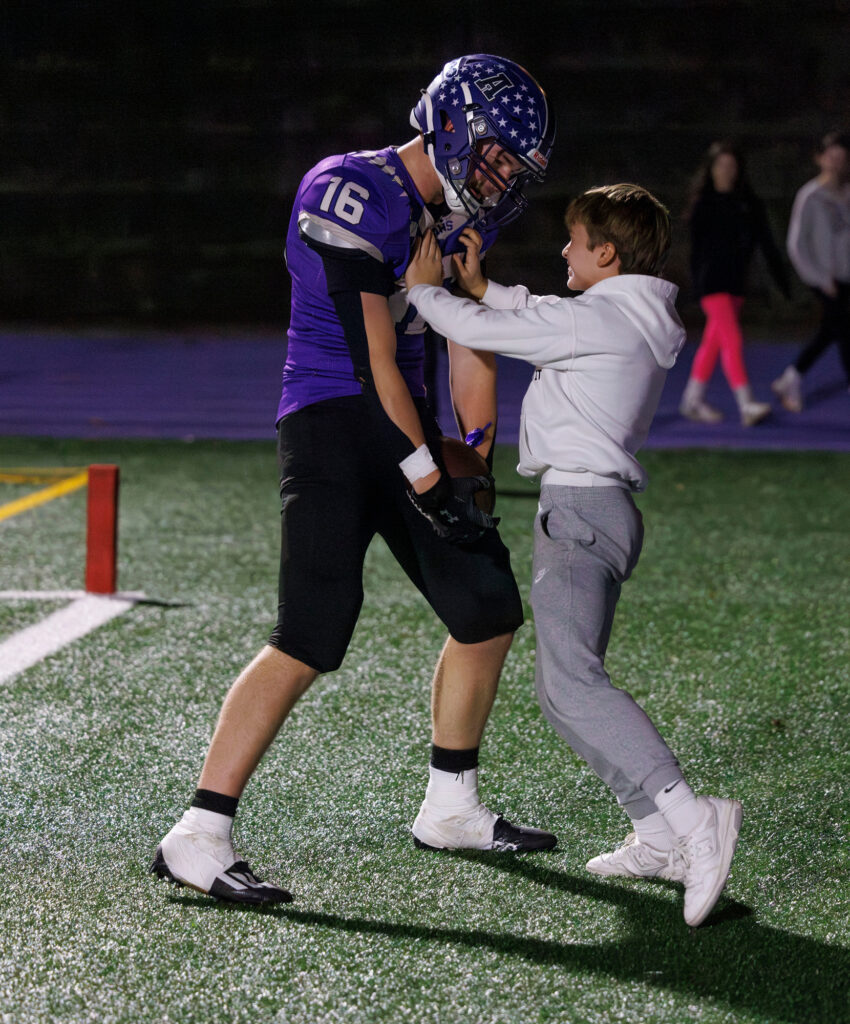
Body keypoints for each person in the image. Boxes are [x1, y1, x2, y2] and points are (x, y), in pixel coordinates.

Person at [150, 55, 558, 906]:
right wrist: (425, 472)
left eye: (510, 168)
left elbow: (465, 341)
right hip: (334, 420)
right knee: (312, 629)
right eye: (492, 155)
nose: (498, 177)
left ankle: (450, 804)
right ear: (448, 121)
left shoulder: (450, 224)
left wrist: (471, 459)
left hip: (400, 418)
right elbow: (372, 356)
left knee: (486, 607)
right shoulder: (348, 188)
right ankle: (199, 831)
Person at [404, 184, 743, 927]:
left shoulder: (598, 323)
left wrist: (423, 290)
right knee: (564, 693)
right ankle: (656, 837)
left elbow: (481, 329)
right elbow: (532, 313)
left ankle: (691, 817)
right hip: (599, 511)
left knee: (577, 685)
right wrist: (483, 284)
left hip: (582, 512)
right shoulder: (630, 317)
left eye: (574, 240)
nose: (563, 251)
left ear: (607, 254)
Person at [678, 140, 790, 427]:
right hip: (712, 285)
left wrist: (782, 282)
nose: (726, 171)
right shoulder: (702, 204)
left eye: (731, 166)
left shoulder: (749, 204)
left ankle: (692, 400)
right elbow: (697, 252)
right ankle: (746, 403)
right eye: (721, 165)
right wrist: (696, 288)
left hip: (736, 284)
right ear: (711, 169)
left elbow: (766, 244)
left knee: (713, 343)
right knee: (732, 340)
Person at [772, 129, 850, 411]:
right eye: (831, 157)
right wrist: (819, 278)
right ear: (820, 159)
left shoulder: (847, 193)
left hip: (846, 276)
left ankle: (790, 378)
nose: (837, 163)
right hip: (826, 279)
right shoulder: (810, 196)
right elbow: (796, 245)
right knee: (843, 331)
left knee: (832, 330)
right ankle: (791, 379)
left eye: (842, 158)